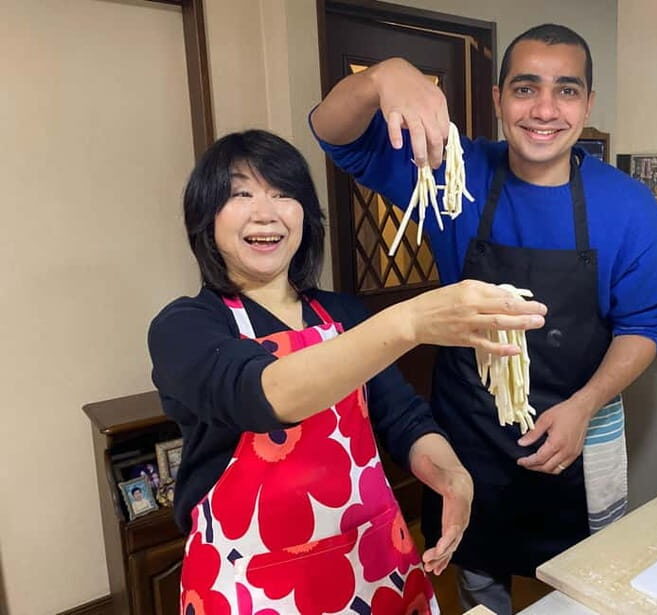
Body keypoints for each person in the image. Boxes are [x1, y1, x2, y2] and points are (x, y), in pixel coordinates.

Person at [310, 23, 657, 613]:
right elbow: (336, 135)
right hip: (469, 432)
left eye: (566, 90)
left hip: (579, 433)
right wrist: (385, 75)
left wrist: (584, 406)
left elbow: (649, 323)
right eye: (525, 87)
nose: (544, 109)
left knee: (581, 589)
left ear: (588, 104)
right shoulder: (455, 175)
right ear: (496, 99)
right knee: (480, 582)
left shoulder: (626, 204)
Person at [147, 130, 546, 614]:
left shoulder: (341, 314)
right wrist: (410, 321)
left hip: (373, 559)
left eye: (283, 194)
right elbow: (266, 395)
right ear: (205, 217)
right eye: (240, 194)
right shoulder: (184, 327)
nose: (265, 212)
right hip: (251, 581)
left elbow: (402, 418)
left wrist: (450, 474)